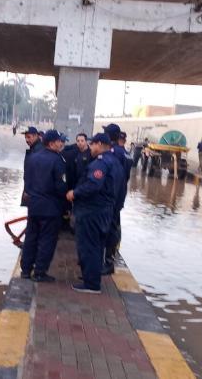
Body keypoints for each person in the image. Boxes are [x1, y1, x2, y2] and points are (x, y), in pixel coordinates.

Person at [66, 133, 117, 294]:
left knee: (89, 247)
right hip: (105, 210)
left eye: (92, 145)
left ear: (100, 144)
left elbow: (93, 185)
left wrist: (75, 193)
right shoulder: (115, 162)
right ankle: (91, 278)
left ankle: (92, 284)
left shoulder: (101, 163)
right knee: (97, 247)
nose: (91, 148)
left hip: (92, 212)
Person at [20, 130, 68, 282]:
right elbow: (61, 187)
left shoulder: (33, 157)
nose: (61, 143)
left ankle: (26, 270)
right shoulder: (58, 160)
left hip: (33, 205)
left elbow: (26, 180)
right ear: (51, 143)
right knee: (46, 240)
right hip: (50, 208)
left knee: (31, 238)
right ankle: (40, 272)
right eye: (59, 141)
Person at [102, 124, 130, 275]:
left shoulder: (113, 153)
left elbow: (113, 174)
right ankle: (110, 256)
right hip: (120, 192)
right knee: (114, 223)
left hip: (113, 192)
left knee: (110, 225)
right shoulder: (125, 152)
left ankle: (108, 261)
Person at [21, 127, 44, 207]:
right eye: (25, 138)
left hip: (35, 194)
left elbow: (35, 175)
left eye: (29, 137)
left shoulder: (38, 151)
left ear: (36, 136)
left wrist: (28, 191)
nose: (27, 140)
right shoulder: (34, 149)